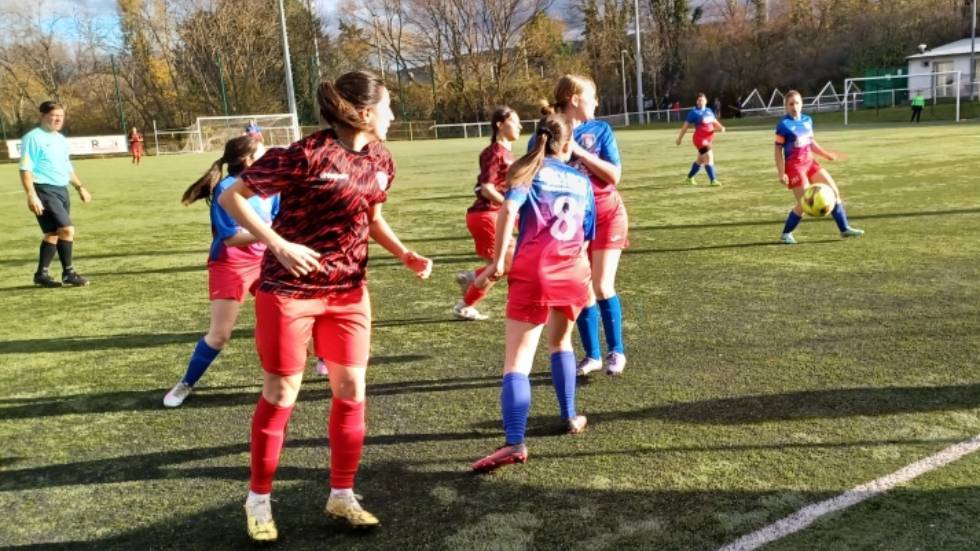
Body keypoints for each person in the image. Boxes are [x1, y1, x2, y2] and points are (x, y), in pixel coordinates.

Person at [218, 71, 433, 543]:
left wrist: (404, 254)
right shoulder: (306, 154)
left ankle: (342, 495)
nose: (394, 115)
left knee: (352, 388)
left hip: (350, 292)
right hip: (289, 291)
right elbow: (233, 195)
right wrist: (276, 244)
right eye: (388, 106)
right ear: (363, 112)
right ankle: (258, 500)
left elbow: (372, 217)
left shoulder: (382, 158)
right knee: (281, 393)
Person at [471, 112, 595, 473]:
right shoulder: (581, 180)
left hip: (535, 272)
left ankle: (514, 442)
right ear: (567, 144)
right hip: (572, 272)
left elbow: (508, 209)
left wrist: (497, 262)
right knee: (562, 344)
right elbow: (586, 235)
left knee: (517, 363)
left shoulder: (527, 171)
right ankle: (570, 416)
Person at [163, 136, 278, 408]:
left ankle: (316, 361)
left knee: (286, 318)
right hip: (231, 263)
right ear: (249, 160)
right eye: (263, 152)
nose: (268, 154)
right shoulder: (226, 189)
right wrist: (271, 234)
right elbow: (231, 239)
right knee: (220, 334)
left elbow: (278, 219)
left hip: (266, 261)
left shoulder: (272, 188)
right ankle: (186, 384)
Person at [539, 75, 627, 377]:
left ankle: (617, 351)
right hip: (570, 223)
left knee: (602, 285)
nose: (597, 102)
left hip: (606, 214)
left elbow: (614, 175)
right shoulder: (547, 132)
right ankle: (593, 356)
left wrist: (579, 151)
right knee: (584, 290)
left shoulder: (600, 130)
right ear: (575, 99)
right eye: (593, 96)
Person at [453, 106, 522, 321]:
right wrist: (511, 205)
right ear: (500, 125)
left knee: (505, 265)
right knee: (505, 264)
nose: (520, 125)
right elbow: (487, 188)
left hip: (495, 216)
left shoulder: (508, 155)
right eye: (515, 121)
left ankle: (471, 279)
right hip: (487, 216)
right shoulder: (494, 152)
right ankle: (464, 305)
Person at [775, 90, 864, 245]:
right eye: (790, 104)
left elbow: (811, 143)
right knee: (805, 202)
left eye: (797, 103)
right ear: (786, 107)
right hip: (795, 167)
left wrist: (825, 154)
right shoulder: (783, 125)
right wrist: (781, 172)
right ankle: (786, 233)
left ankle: (844, 229)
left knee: (834, 191)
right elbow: (777, 150)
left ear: (801, 104)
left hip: (810, 163)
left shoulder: (808, 120)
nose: (794, 106)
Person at [18, 100, 92, 288]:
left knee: (53, 233)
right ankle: (69, 273)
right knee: (67, 229)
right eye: (54, 115)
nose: (59, 119)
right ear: (43, 116)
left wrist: (79, 186)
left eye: (61, 116)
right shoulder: (32, 138)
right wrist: (31, 195)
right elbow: (25, 169)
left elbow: (66, 167)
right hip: (43, 189)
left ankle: (41, 275)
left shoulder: (60, 139)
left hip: (61, 190)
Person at [676, 92, 726, 186]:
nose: (701, 101)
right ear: (697, 102)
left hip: (708, 139)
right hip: (700, 139)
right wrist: (679, 139)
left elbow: (714, 121)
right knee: (709, 157)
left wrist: (721, 127)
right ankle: (713, 180)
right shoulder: (694, 112)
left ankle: (689, 178)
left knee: (700, 161)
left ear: (706, 101)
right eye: (699, 100)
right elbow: (685, 127)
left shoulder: (709, 110)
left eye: (702, 99)